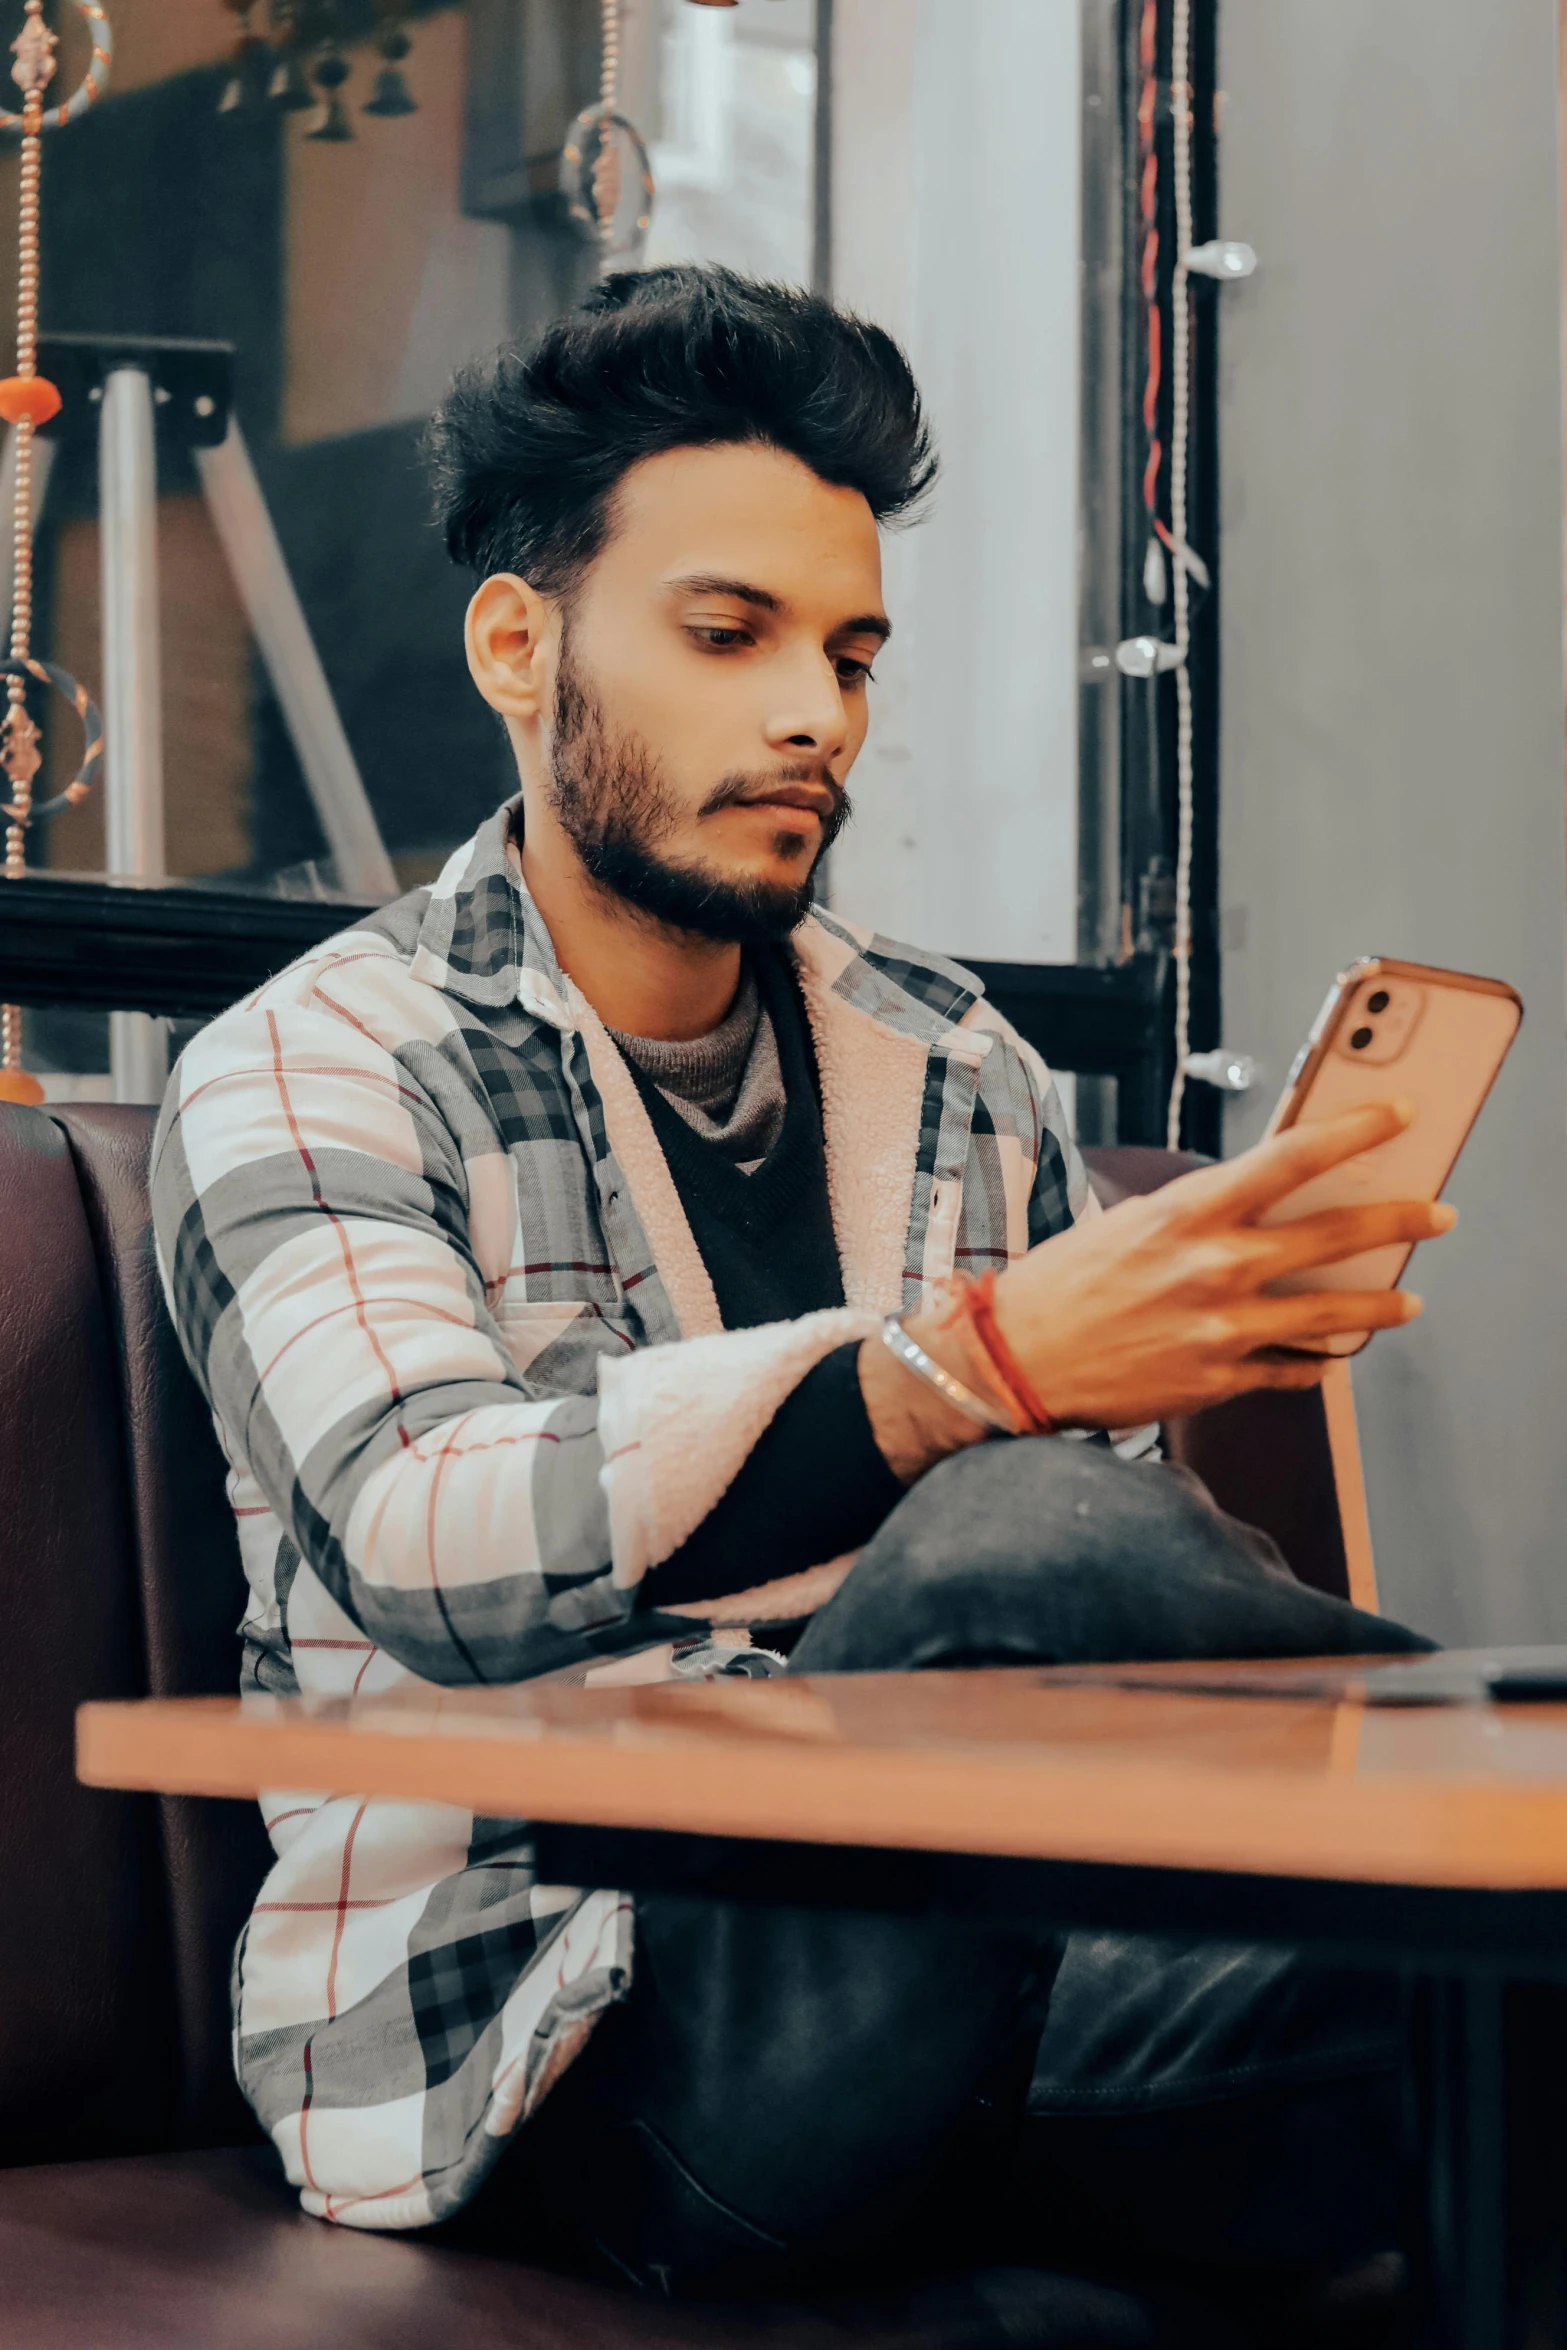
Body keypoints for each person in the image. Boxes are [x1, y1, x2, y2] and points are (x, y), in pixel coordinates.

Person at [151, 267, 1447, 2309]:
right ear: (520, 642)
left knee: (1474, 2061)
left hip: (990, 1974)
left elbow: (1095, 1660)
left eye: (851, 651)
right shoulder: (316, 1063)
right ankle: (1466, 1741)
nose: (812, 714)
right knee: (1016, 1510)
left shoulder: (958, 1067)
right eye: (727, 633)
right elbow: (427, 1535)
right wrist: (965, 1375)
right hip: (560, 2017)